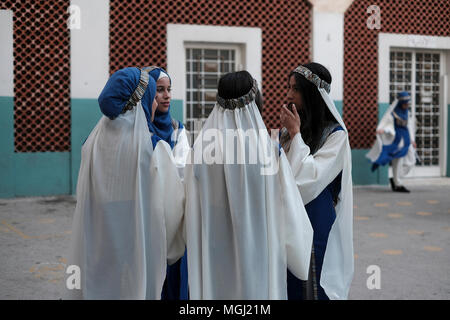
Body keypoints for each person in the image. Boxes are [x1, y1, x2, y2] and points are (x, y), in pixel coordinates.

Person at [183, 70, 313, 299]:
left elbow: (190, 205)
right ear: (254, 101)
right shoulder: (268, 151)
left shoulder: (200, 150)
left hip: (214, 249)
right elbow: (290, 207)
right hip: (258, 249)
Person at [66, 67, 185, 299]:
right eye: (152, 96)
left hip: (99, 246)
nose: (155, 103)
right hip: (137, 251)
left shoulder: (91, 143)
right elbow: (172, 213)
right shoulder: (153, 148)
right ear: (140, 101)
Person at [280, 63, 354, 300]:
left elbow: (307, 180)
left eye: (296, 89)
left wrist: (295, 135)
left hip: (316, 221)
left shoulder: (336, 136)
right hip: (287, 218)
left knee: (314, 285)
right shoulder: (292, 130)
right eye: (289, 87)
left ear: (312, 93)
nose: (289, 94)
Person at [145, 66, 190, 300]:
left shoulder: (177, 129)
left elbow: (182, 172)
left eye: (169, 90)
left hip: (173, 219)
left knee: (171, 279)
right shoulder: (137, 129)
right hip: (146, 217)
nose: (166, 95)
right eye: (159, 90)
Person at [366, 91, 417, 193]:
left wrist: (412, 140)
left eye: (408, 103)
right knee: (397, 162)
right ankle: (398, 184)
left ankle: (395, 179)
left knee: (411, 161)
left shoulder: (407, 112)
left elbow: (409, 126)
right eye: (405, 103)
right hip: (396, 140)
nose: (407, 105)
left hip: (406, 139)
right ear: (400, 103)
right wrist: (382, 130)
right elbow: (385, 124)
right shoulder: (393, 113)